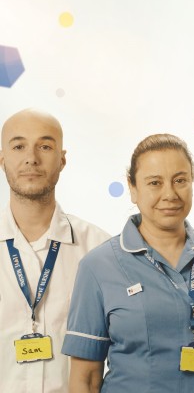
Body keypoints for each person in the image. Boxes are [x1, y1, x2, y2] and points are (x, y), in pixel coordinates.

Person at [62, 134, 194, 393]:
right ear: (133, 189)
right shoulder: (98, 267)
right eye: (155, 183)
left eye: (180, 180)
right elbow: (85, 379)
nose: (169, 194)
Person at [0, 108, 110, 393]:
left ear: (62, 159)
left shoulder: (99, 250)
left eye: (45, 146)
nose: (31, 158)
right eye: (19, 146)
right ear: (2, 158)